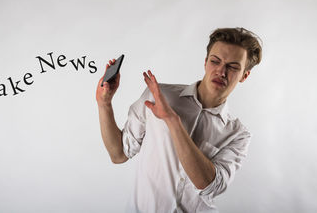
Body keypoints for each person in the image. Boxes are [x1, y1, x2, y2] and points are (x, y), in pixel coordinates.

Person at [95, 28, 262, 213]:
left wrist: (172, 121)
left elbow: (208, 185)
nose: (221, 71)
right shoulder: (158, 96)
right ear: (205, 62)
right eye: (215, 61)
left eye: (232, 67)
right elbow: (118, 154)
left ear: (244, 76)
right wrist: (104, 103)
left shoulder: (238, 135)